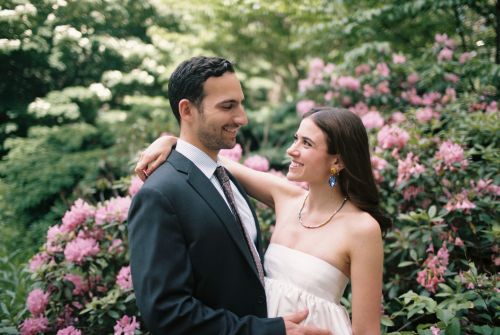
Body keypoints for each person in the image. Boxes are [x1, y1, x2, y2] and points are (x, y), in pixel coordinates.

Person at [136, 105, 391, 335]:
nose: (292, 150)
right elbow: (209, 162)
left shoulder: (362, 229)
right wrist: (171, 141)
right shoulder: (286, 198)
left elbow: (367, 330)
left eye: (307, 144)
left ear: (337, 160)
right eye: (295, 139)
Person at [128, 56, 331, 335]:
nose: (242, 118)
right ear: (187, 110)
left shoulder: (227, 177)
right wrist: (266, 331)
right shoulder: (159, 195)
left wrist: (173, 140)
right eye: (228, 106)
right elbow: (165, 313)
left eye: (241, 103)